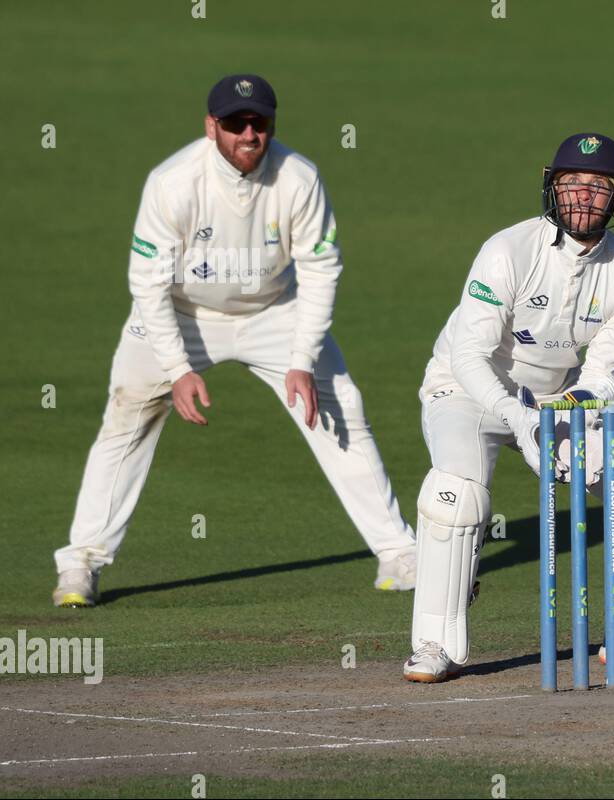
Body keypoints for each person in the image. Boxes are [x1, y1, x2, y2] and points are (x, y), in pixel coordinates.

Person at [51, 74, 417, 607]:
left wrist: (300, 360)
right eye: (235, 124)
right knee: (127, 415)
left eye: (259, 122)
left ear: (271, 125)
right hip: (181, 312)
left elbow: (321, 268)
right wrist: (177, 371)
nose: (249, 134)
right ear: (211, 127)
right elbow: (147, 284)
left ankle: (398, 554)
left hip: (274, 311)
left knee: (340, 408)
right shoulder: (172, 183)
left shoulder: (299, 178)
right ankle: (81, 564)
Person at [405, 133, 614, 682]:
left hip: (558, 398)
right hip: (467, 389)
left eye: (598, 187)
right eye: (571, 185)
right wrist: (519, 420)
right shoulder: (508, 250)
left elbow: (600, 375)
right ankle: (436, 645)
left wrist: (572, 416)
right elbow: (469, 355)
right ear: (551, 189)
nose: (583, 197)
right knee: (457, 496)